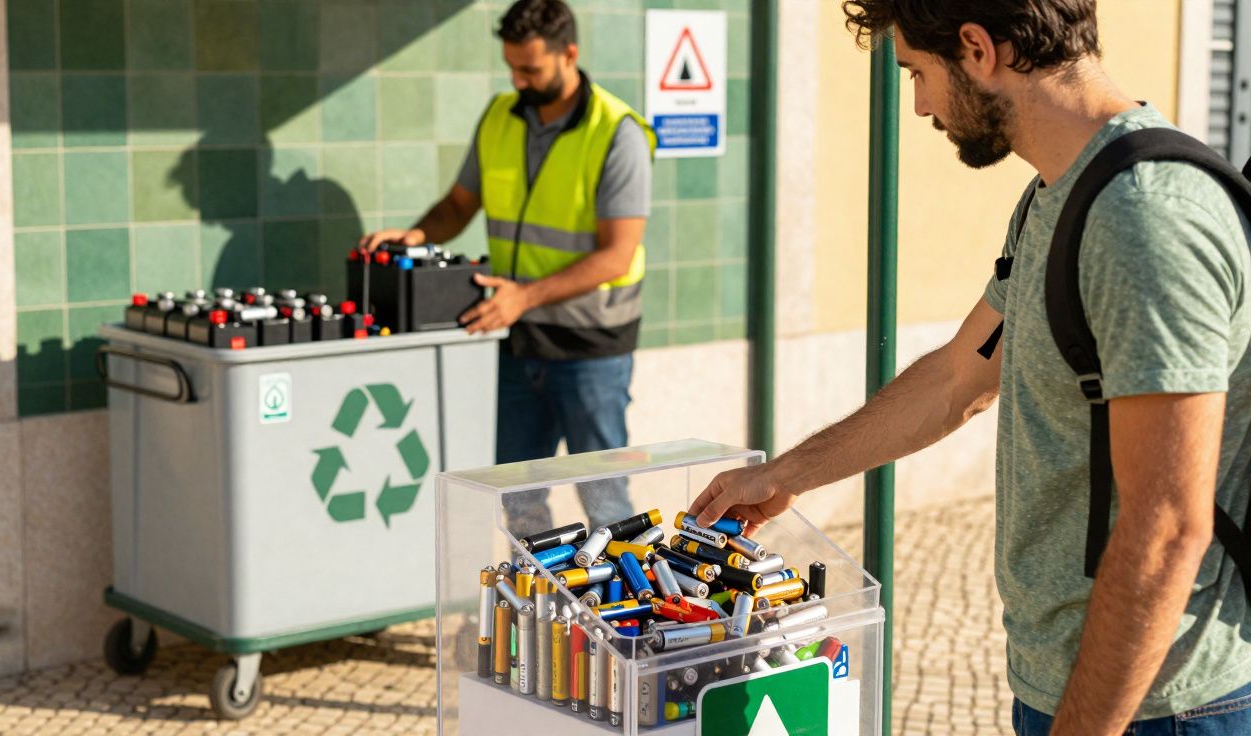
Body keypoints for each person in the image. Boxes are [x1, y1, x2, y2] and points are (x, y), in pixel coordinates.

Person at [689, 1, 1251, 733]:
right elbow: (960, 378)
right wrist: (784, 475)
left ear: (978, 49)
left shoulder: (1143, 218)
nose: (919, 104)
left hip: (1160, 707)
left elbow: (1168, 526)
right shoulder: (1060, 193)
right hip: (1062, 683)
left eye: (918, 74)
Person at [360, 0, 655, 534]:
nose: (519, 80)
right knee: (517, 498)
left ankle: (617, 617)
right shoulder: (500, 116)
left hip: (591, 348)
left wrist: (523, 295)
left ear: (570, 53)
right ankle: (537, 612)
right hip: (517, 342)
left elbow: (617, 253)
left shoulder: (618, 132)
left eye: (532, 69)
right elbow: (457, 206)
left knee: (606, 501)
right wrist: (418, 234)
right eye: (513, 67)